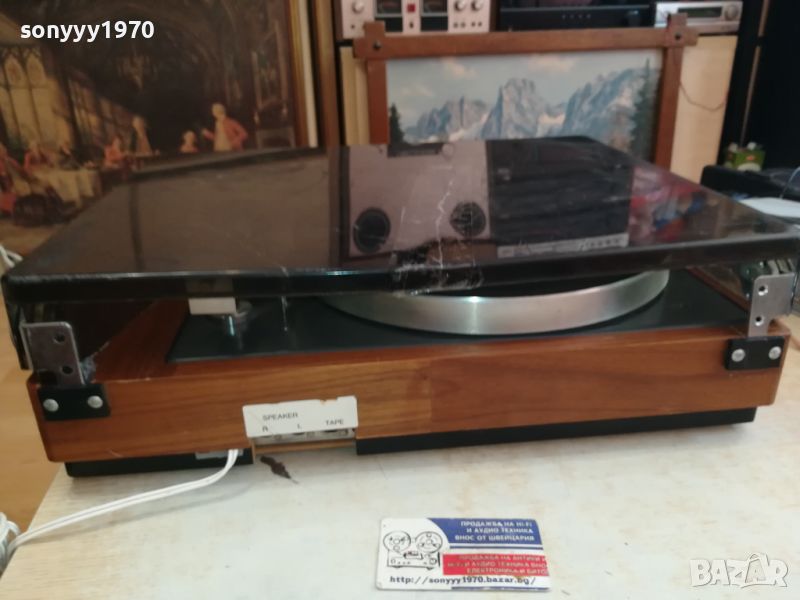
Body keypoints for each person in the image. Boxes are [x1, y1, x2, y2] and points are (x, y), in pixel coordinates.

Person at [0, 143, 23, 216]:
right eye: (2, 151)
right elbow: (4, 176)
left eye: (4, 150)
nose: (4, 152)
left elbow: (20, 169)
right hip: (7, 184)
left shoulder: (10, 160)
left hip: (17, 180)